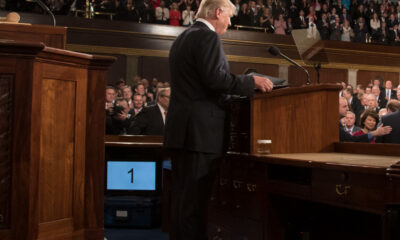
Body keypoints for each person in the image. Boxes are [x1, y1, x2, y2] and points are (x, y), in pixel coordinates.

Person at [164, 0, 273, 238]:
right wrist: (250, 81)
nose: (230, 22)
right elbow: (215, 80)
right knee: (194, 205)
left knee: (183, 203)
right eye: (229, 17)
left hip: (183, 133)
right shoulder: (207, 37)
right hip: (200, 135)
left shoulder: (183, 38)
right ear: (217, 12)